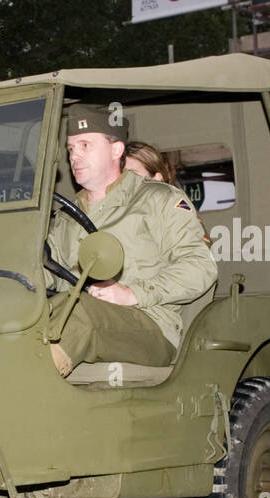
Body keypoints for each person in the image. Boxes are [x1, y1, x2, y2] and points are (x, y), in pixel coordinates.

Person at [45, 104, 217, 377]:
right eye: (71, 149)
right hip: (73, 315)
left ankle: (29, 388)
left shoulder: (158, 200)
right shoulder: (66, 217)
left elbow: (200, 267)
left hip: (149, 325)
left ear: (116, 150)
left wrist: (134, 293)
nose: (75, 156)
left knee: (82, 313)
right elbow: (48, 270)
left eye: (85, 145)